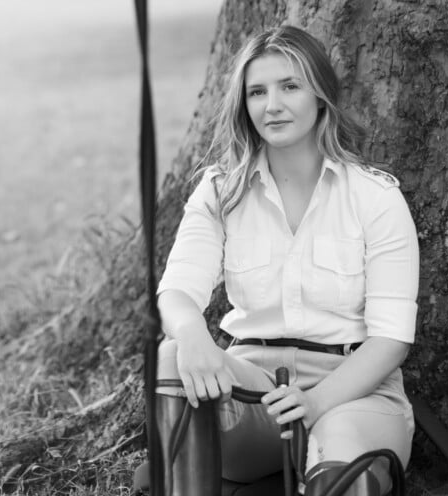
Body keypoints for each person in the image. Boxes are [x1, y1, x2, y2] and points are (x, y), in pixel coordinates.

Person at [156, 26, 419, 496]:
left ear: (320, 95)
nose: (271, 105)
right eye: (257, 92)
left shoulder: (375, 197)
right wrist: (193, 333)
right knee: (172, 356)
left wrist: (315, 404)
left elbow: (392, 340)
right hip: (253, 392)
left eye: (289, 86)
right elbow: (176, 290)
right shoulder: (221, 191)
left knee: (341, 459)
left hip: (351, 392)